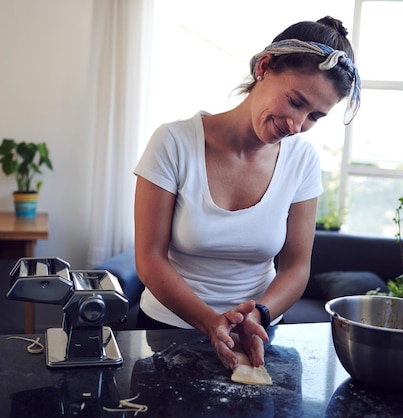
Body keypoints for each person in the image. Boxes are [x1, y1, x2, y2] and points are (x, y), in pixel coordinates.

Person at [133, 16, 361, 371]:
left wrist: (261, 313)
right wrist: (210, 322)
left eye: (315, 116)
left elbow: (297, 268)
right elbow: (149, 259)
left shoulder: (301, 160)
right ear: (265, 67)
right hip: (167, 331)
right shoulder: (174, 143)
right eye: (295, 101)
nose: (296, 125)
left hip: (257, 335)